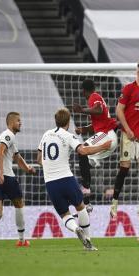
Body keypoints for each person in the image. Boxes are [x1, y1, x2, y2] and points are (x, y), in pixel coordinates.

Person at [37, 108, 111, 251]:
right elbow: (83, 151)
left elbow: (39, 159)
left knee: (65, 214)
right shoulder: (68, 136)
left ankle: (76, 228)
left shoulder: (45, 135)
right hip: (66, 178)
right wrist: (103, 146)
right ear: (68, 121)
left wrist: (50, 166)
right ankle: (88, 240)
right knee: (81, 207)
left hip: (50, 182)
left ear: (56, 120)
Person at [111, 59, 139, 226]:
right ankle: (114, 204)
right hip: (128, 136)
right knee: (124, 169)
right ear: (138, 74)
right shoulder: (129, 89)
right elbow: (118, 110)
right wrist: (128, 129)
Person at [0, 112, 36, 246]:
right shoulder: (8, 135)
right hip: (5, 176)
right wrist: (1, 173)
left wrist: (28, 168)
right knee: (19, 204)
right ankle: (22, 240)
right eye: (18, 120)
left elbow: (17, 158)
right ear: (11, 123)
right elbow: (0, 152)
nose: (20, 123)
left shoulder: (11, 139)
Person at [73, 79, 119, 213]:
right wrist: (84, 129)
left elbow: (98, 110)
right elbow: (98, 123)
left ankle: (86, 189)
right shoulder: (96, 99)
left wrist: (82, 110)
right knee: (84, 158)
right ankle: (87, 202)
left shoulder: (94, 97)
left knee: (82, 150)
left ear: (83, 91)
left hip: (107, 135)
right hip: (106, 135)